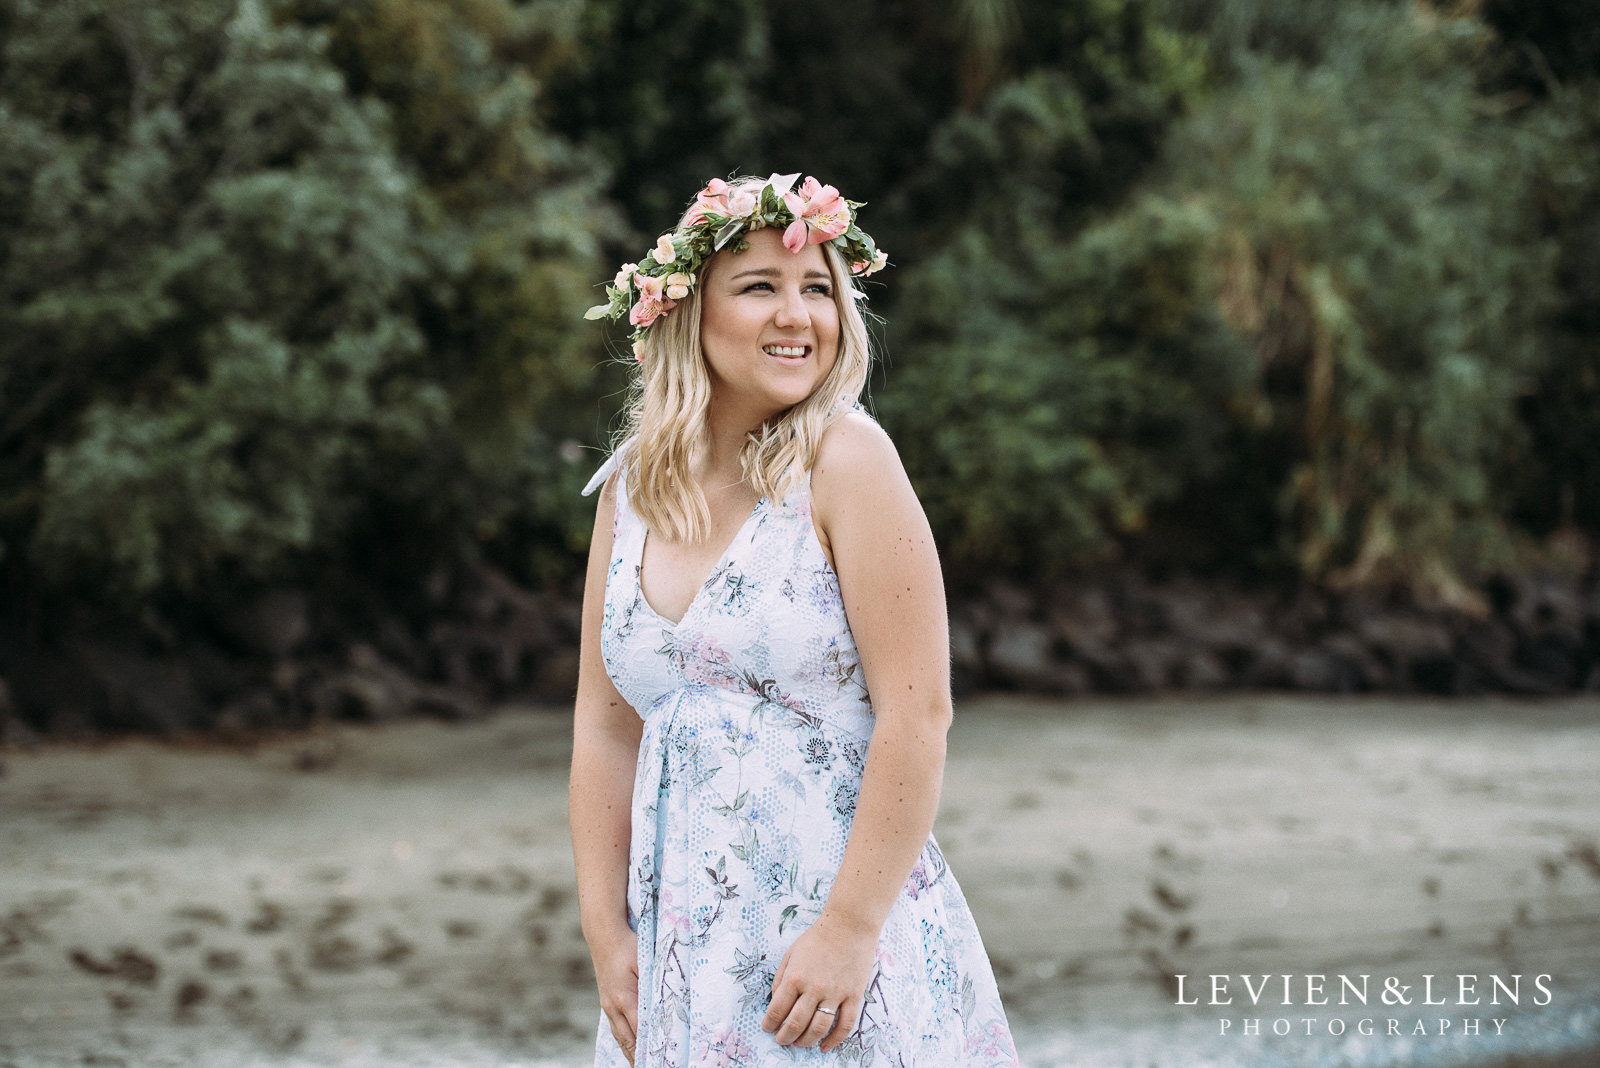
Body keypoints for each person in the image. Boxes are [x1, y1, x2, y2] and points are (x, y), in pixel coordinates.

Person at [569, 173, 1019, 1067]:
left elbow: (918, 712)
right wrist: (606, 931)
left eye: (818, 289)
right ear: (687, 310)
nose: (797, 314)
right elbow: (605, 724)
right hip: (676, 958)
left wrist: (850, 930)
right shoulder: (630, 489)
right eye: (759, 287)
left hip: (832, 957)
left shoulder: (848, 462)